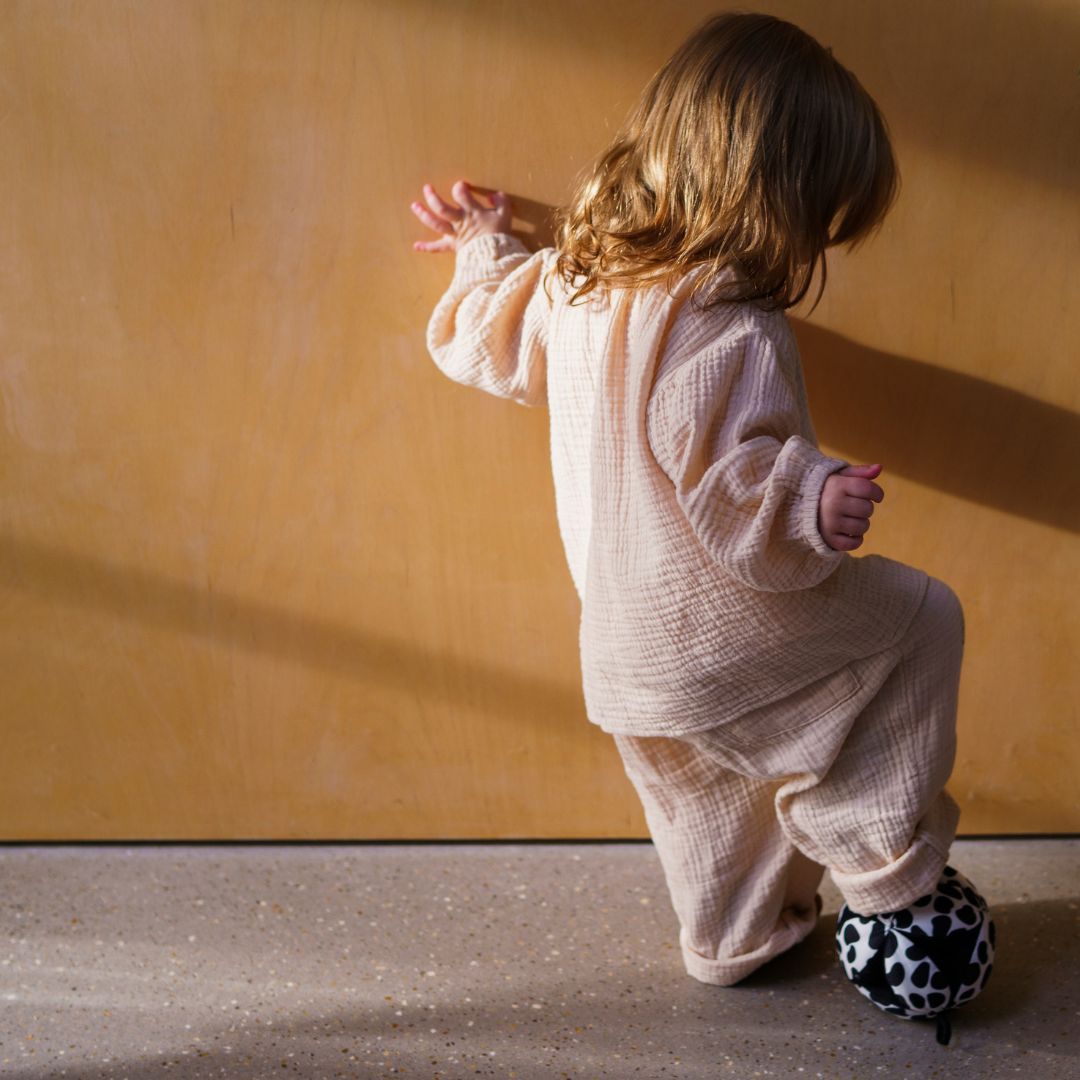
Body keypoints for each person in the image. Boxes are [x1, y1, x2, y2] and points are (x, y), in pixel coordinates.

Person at [408, 11, 966, 989]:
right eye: (817, 214)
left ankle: (733, 940)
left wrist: (482, 245)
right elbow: (733, 479)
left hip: (623, 659)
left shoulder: (579, 281)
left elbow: (485, 340)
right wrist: (812, 501)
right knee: (919, 624)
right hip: (720, 634)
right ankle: (879, 870)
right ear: (775, 196)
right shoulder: (728, 324)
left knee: (706, 801)